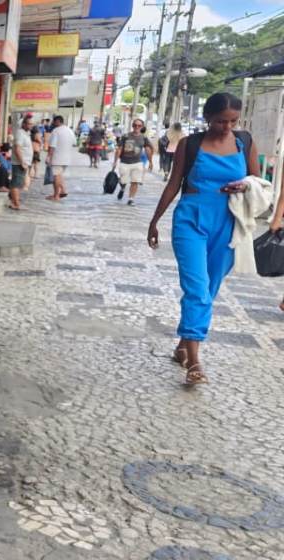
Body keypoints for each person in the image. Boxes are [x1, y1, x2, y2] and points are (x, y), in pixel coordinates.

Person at [147, 93, 260, 386]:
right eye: (221, 121)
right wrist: (155, 221)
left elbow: (257, 183)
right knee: (196, 287)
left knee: (209, 288)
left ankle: (183, 345)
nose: (227, 127)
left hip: (229, 222)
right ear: (208, 117)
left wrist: (243, 186)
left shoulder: (245, 142)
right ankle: (195, 361)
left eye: (233, 121)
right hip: (192, 219)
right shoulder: (190, 144)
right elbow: (174, 183)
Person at [112, 118, 154, 206]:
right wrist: (115, 161)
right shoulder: (125, 136)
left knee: (135, 181)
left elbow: (148, 149)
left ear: (142, 127)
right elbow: (119, 149)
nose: (137, 127)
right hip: (125, 162)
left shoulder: (144, 138)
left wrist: (150, 161)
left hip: (137, 162)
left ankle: (131, 199)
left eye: (139, 125)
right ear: (132, 126)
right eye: (135, 125)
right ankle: (122, 188)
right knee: (123, 181)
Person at [45, 115, 76, 201]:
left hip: (57, 158)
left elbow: (52, 146)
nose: (53, 123)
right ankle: (63, 191)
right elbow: (74, 143)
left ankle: (56, 195)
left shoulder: (56, 131)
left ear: (57, 121)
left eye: (54, 121)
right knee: (59, 174)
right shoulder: (70, 131)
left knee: (56, 176)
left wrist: (48, 156)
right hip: (67, 158)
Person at [12, 115, 34, 195]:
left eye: (32, 124)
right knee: (17, 184)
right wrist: (22, 162)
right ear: (23, 124)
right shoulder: (20, 133)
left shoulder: (26, 133)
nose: (31, 126)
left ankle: (13, 198)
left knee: (19, 183)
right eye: (29, 124)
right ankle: (15, 201)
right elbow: (17, 149)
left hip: (24, 163)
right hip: (19, 163)